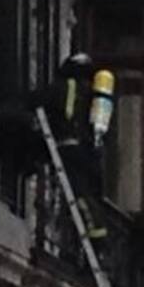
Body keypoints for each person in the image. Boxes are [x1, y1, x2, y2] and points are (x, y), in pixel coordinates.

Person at [44, 51, 113, 243]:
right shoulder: (93, 93)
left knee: (78, 192)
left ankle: (92, 238)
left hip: (69, 147)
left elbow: (45, 101)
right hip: (91, 152)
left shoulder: (65, 87)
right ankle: (97, 240)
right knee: (91, 193)